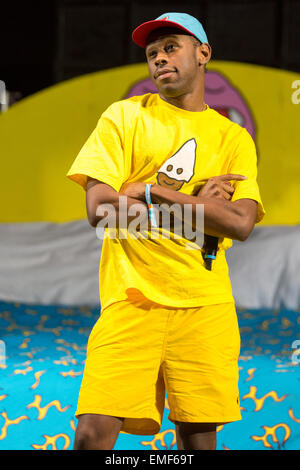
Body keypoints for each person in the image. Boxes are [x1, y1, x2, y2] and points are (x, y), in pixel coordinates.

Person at [67, 12, 265, 450]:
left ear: (203, 53)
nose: (159, 58)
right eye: (152, 53)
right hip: (132, 300)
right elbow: (100, 210)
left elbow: (240, 223)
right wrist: (204, 207)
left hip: (206, 307)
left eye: (170, 47)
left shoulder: (233, 138)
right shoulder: (124, 116)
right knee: (92, 435)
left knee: (197, 438)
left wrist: (150, 192)